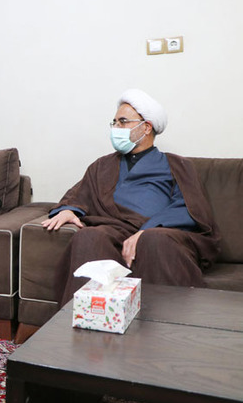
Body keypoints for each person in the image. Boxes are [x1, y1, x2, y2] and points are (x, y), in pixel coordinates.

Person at [41, 89, 220, 306]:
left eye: (123, 122)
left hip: (161, 234)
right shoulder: (102, 165)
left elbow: (189, 207)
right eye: (114, 122)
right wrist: (69, 209)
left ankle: (163, 324)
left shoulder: (177, 165)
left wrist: (146, 231)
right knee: (89, 236)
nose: (116, 128)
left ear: (146, 127)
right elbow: (80, 194)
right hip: (114, 231)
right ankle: (87, 321)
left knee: (153, 240)